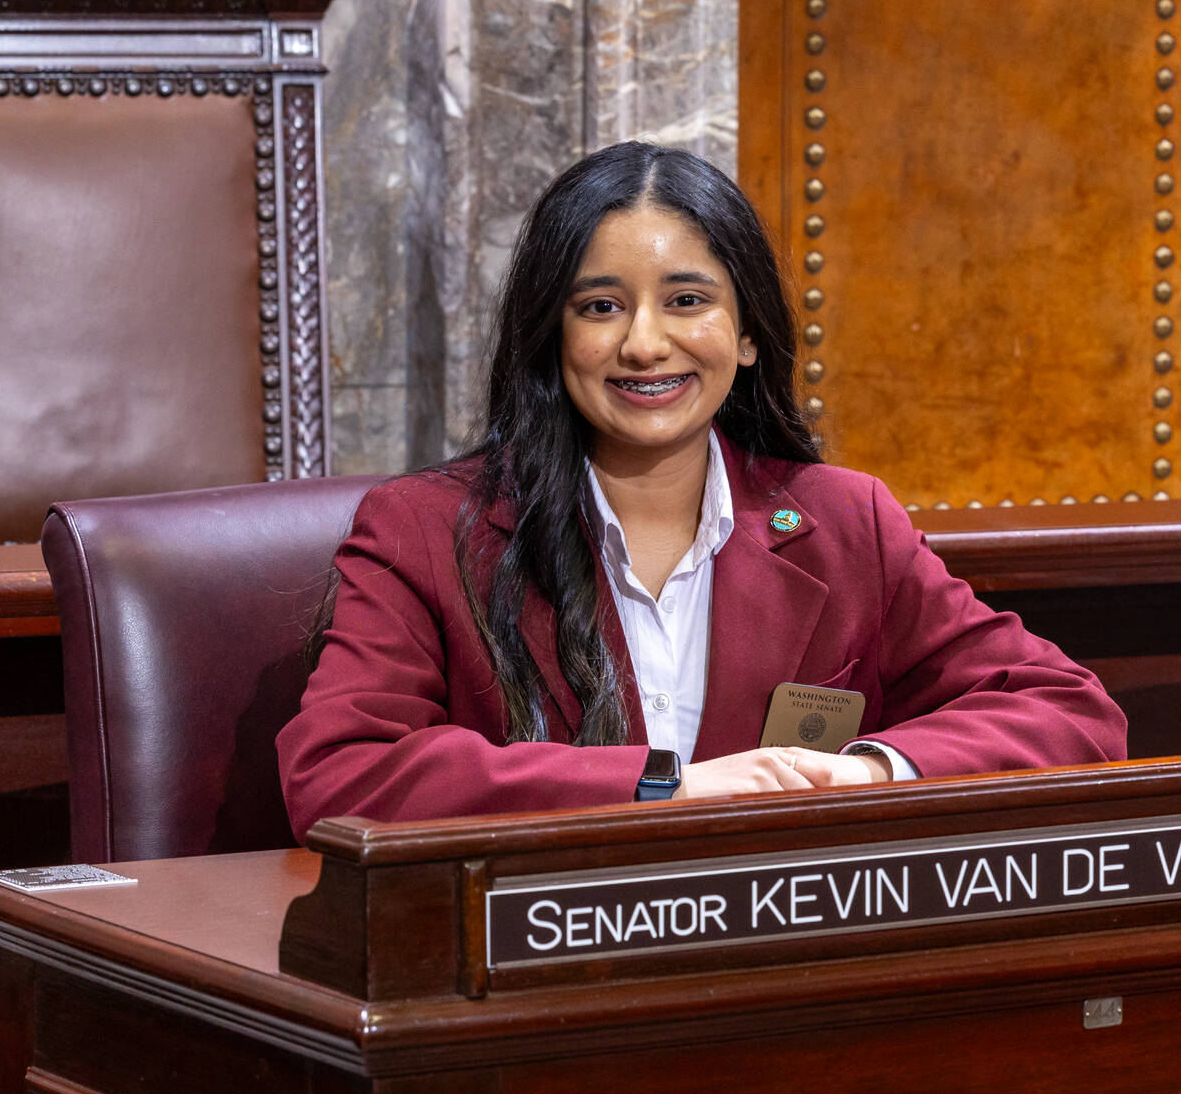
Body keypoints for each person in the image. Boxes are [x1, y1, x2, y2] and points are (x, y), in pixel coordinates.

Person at [277, 142, 1126, 839]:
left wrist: (868, 770)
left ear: (748, 334)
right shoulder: (426, 531)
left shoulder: (842, 521)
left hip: (780, 975)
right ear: (551, 335)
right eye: (601, 307)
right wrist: (663, 787)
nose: (646, 344)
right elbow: (341, 770)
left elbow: (1072, 713)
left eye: (687, 300)